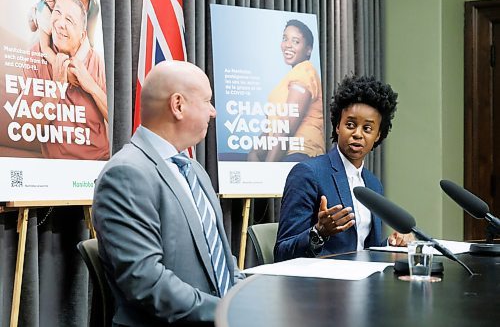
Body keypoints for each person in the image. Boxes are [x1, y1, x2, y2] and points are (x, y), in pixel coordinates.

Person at [92, 60, 244, 326]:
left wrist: (246, 299)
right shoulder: (126, 174)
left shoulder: (194, 170)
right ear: (178, 105)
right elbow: (146, 281)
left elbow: (220, 257)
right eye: (207, 101)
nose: (213, 112)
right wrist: (225, 311)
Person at [274, 75, 413, 262]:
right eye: (350, 125)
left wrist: (392, 243)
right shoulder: (307, 174)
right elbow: (282, 252)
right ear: (337, 126)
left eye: (367, 128)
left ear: (378, 135)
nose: (357, 134)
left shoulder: (372, 185)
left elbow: (363, 249)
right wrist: (319, 232)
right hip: (319, 287)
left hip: (363, 285)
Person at [24, 0, 108, 160]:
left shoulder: (95, 60)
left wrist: (90, 85)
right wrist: (56, 88)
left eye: (69, 20)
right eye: (57, 12)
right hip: (59, 170)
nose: (61, 23)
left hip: (99, 162)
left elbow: (117, 120)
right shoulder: (36, 55)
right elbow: (26, 128)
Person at [247, 19, 325, 162]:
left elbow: (285, 130)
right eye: (285, 38)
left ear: (308, 50)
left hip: (301, 155)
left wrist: (266, 172)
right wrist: (254, 153)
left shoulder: (304, 71)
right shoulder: (291, 77)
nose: (288, 45)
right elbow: (273, 127)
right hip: (283, 152)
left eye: (295, 41)